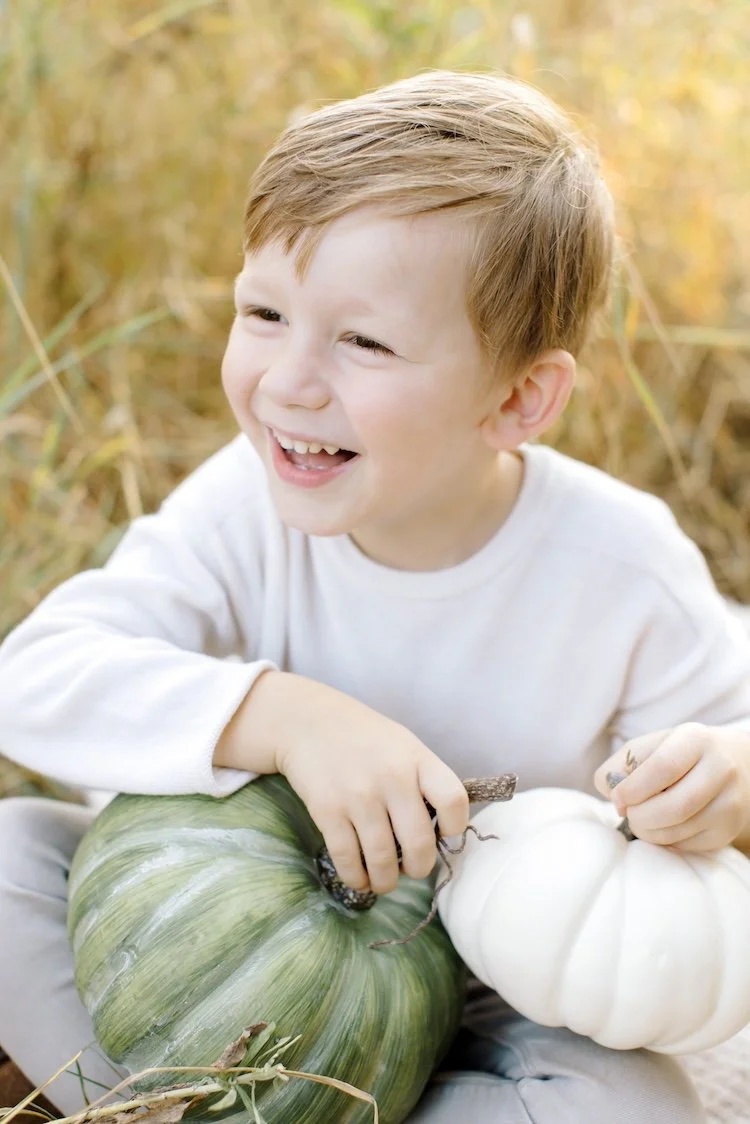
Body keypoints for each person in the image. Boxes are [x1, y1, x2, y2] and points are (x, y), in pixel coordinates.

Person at [0, 69, 749, 1124]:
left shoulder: (622, 568)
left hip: (501, 984)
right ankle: (146, 1106)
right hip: (228, 936)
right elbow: (33, 676)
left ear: (518, 397)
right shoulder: (242, 506)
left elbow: (733, 733)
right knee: (6, 864)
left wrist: (728, 777)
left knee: (630, 1106)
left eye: (364, 341)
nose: (287, 380)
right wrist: (290, 717)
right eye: (263, 312)